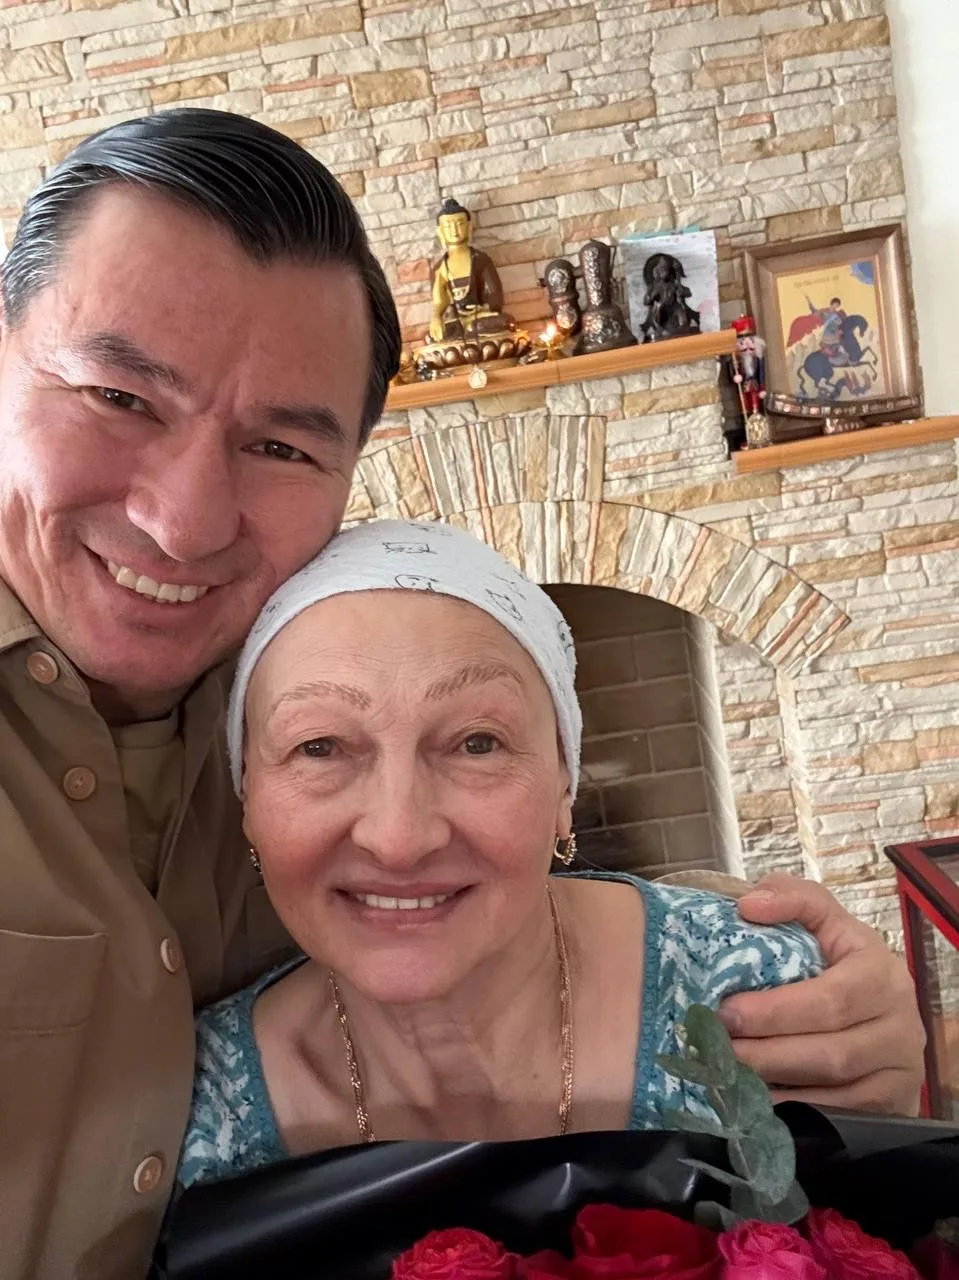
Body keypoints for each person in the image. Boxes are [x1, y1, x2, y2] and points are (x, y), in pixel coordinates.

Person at [0, 108, 924, 1278]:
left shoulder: (281, 658)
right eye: (119, 397)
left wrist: (795, 986)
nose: (184, 522)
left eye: (281, 447)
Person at [178, 520, 824, 1186]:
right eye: (319, 747)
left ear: (564, 782)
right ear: (248, 800)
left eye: (476, 743)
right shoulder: (192, 1115)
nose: (399, 840)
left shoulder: (765, 998)